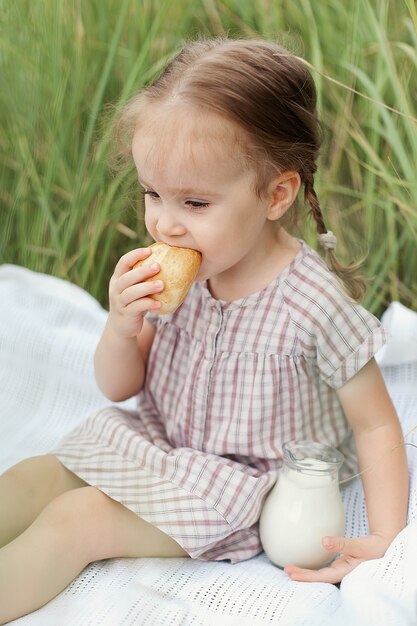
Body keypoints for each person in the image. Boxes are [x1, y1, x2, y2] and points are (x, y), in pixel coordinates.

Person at [0, 37, 408, 623]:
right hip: (159, 440)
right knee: (35, 475)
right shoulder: (180, 271)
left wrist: (386, 538)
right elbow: (119, 388)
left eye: (194, 202)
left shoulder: (313, 304)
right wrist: (122, 325)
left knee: (78, 519)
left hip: (240, 483)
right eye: (152, 193)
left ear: (275, 195)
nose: (165, 222)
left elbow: (374, 423)